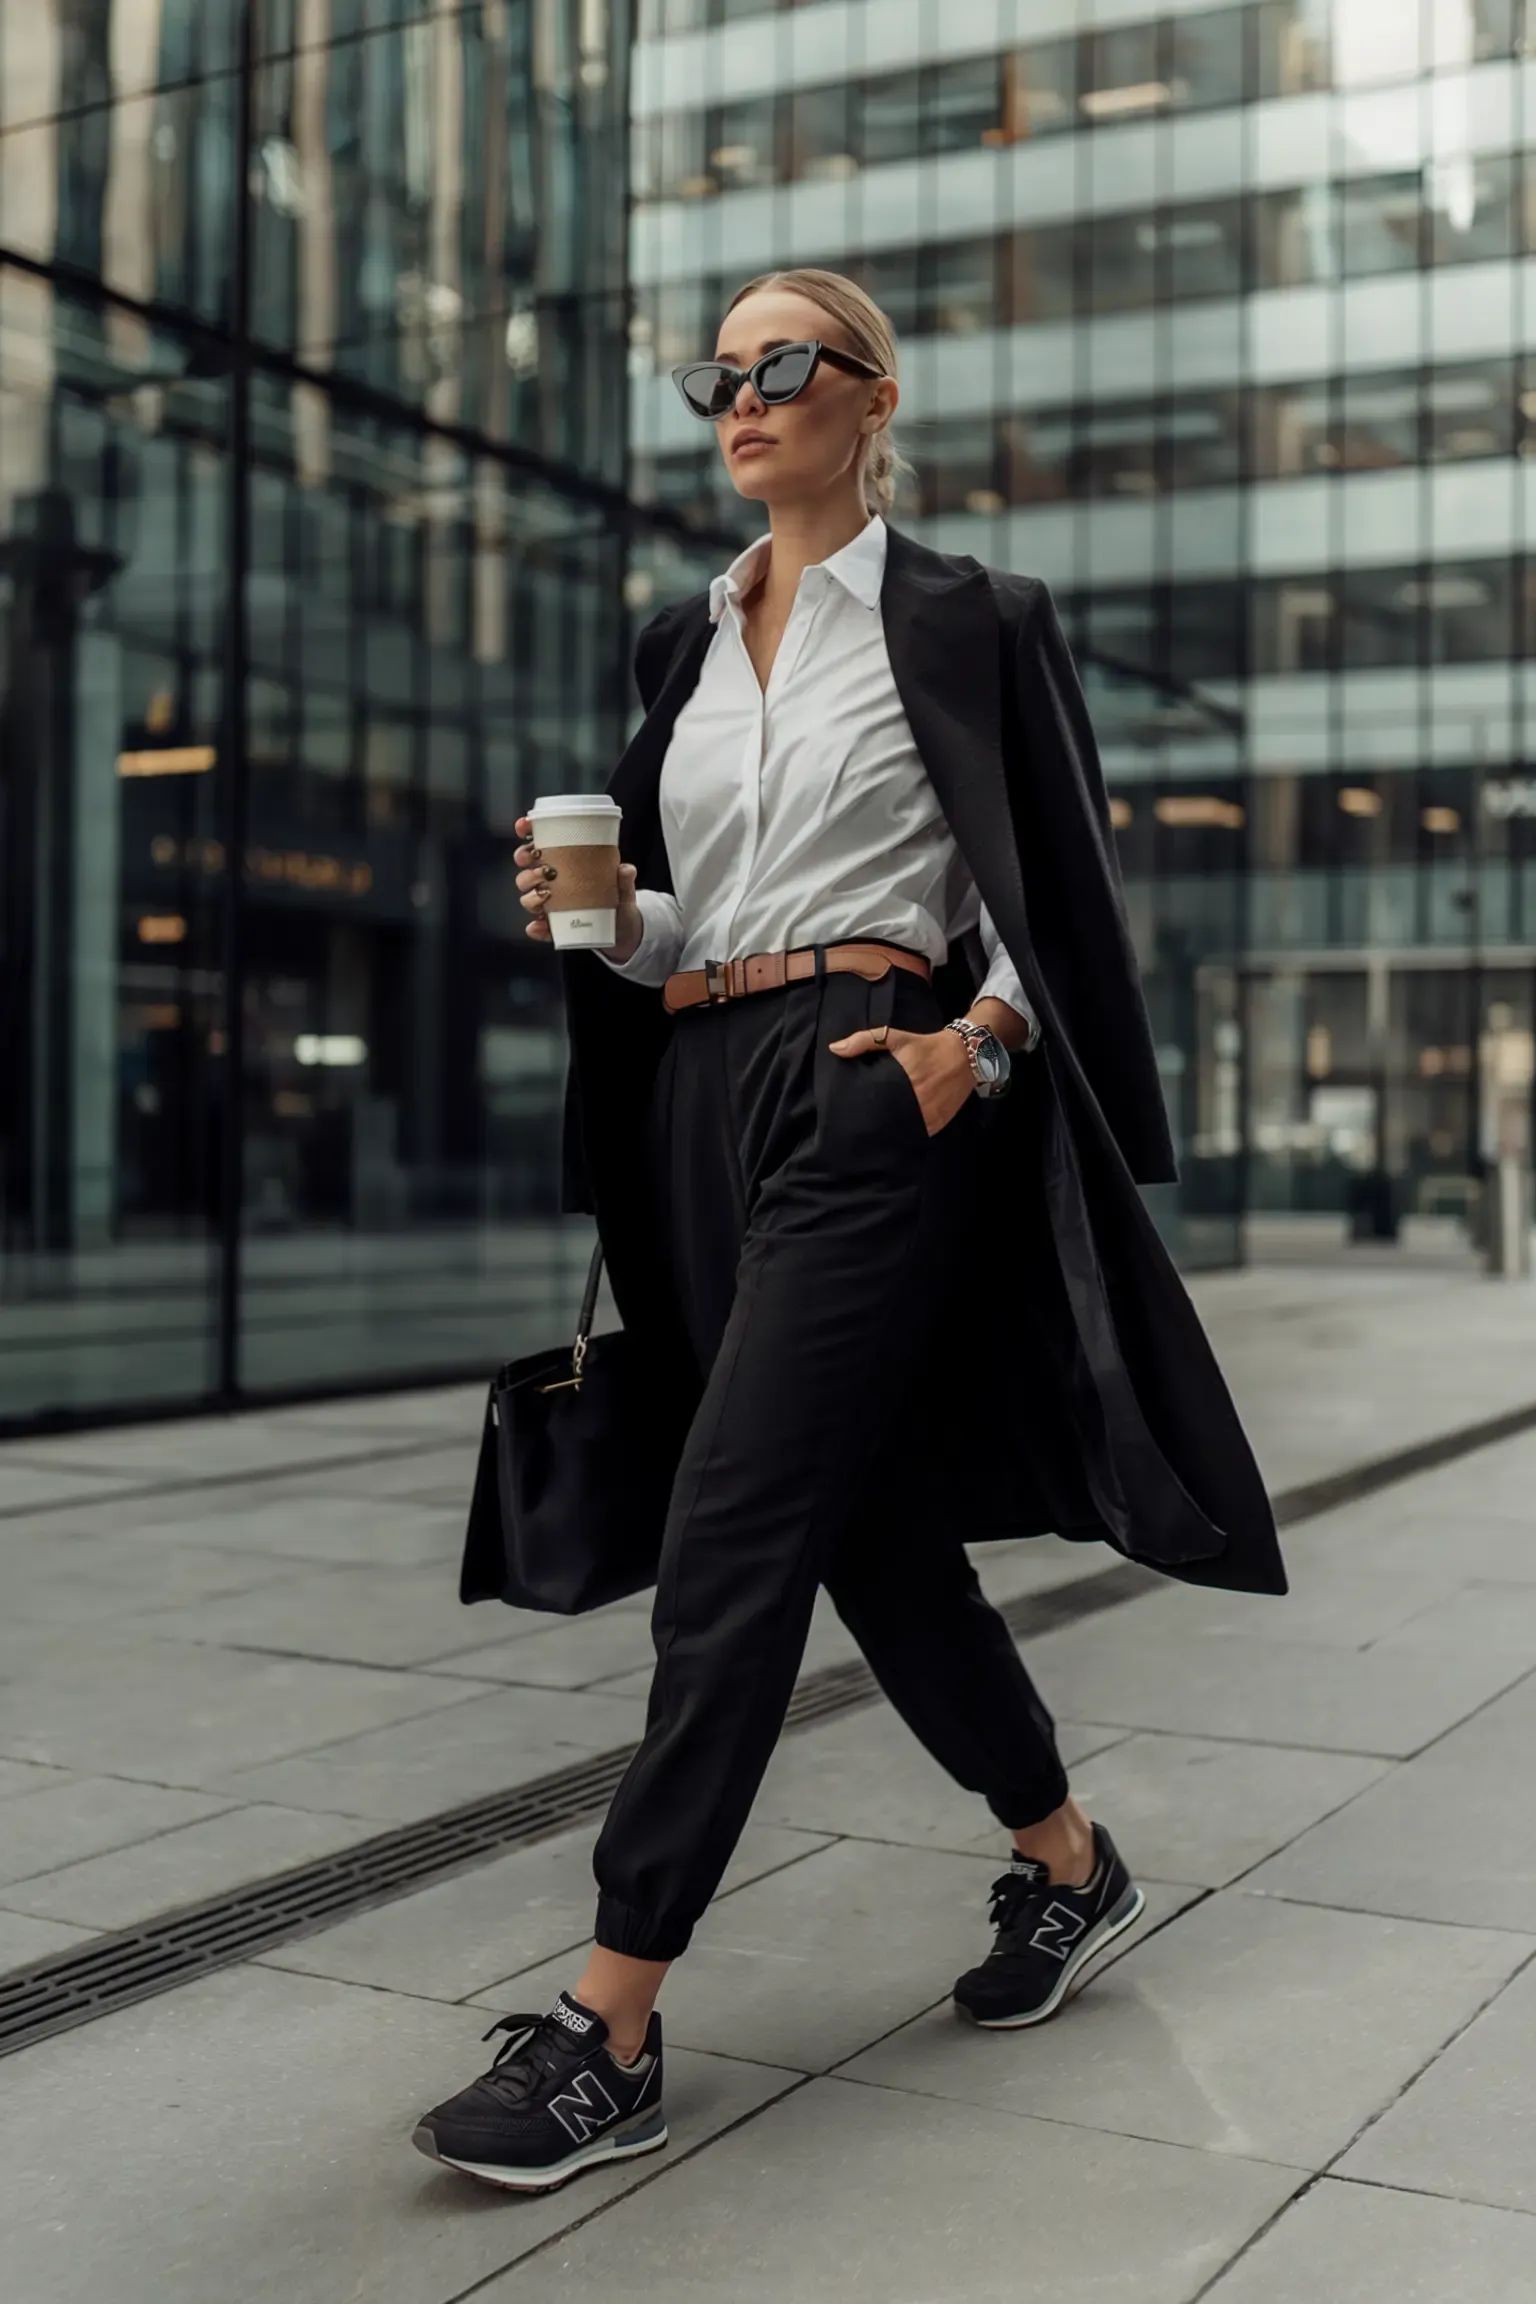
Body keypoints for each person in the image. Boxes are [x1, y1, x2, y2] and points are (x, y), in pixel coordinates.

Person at [413, 268, 1284, 2194]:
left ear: (871, 396)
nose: (739, 399)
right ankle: (1069, 1861)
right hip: (694, 1089)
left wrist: (975, 1047)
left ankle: (610, 2022)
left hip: (874, 1083)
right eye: (714, 375)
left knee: (731, 1533)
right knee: (870, 1537)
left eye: (780, 364)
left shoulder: (973, 619)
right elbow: (688, 921)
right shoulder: (683, 638)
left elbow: (1057, 898)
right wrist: (599, 920)